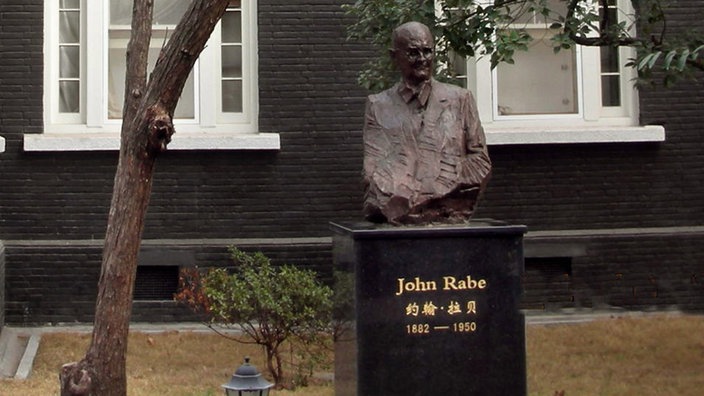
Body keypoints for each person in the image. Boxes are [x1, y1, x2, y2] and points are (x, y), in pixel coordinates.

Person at [362, 21, 492, 225]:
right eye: (413, 53)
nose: (422, 59)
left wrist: (441, 184)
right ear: (394, 56)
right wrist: (406, 193)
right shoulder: (378, 105)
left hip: (449, 204)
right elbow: (373, 168)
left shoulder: (460, 99)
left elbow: (480, 162)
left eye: (427, 51)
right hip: (398, 204)